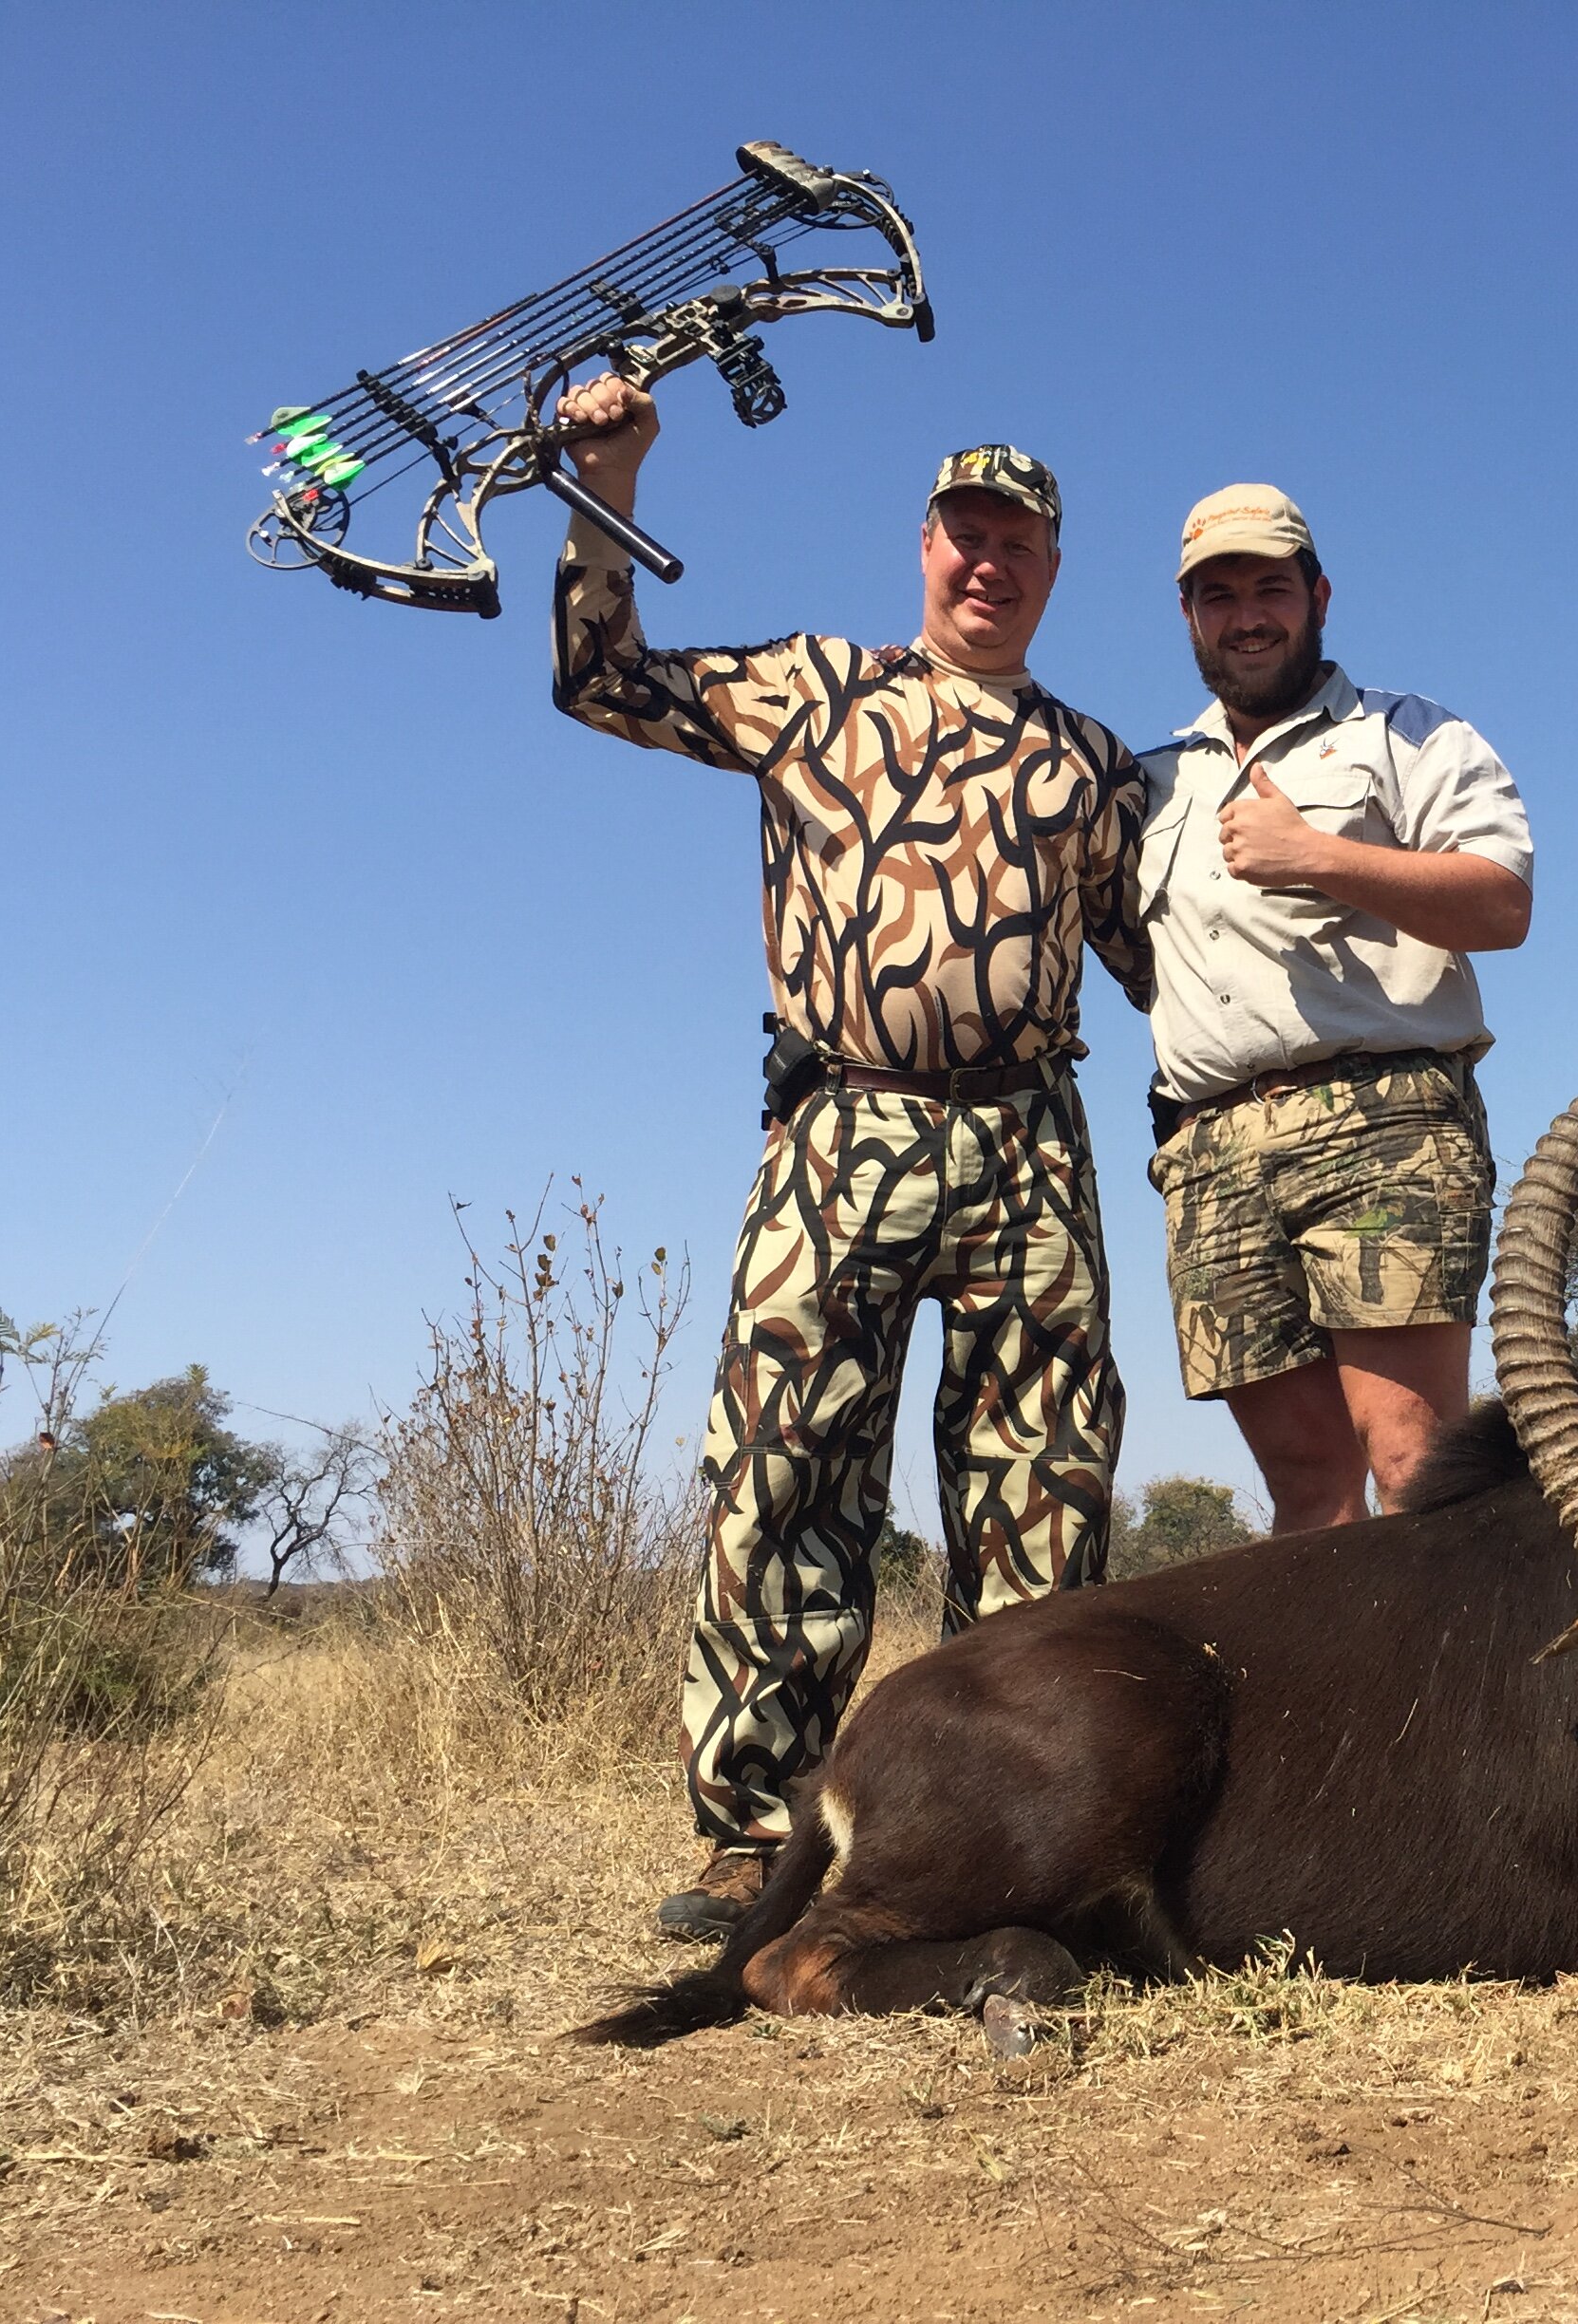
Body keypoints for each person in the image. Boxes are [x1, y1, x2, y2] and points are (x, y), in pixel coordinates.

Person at [549, 375, 1151, 1938]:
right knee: (781, 1467)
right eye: (965, 532)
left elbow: (1179, 962)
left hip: (1030, 1136)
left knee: (1041, 1490)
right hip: (838, 1122)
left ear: (1051, 569)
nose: (986, 562)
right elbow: (600, 679)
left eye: (1017, 541)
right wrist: (602, 487)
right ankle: (756, 1835)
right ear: (925, 544)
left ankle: (1023, 1834)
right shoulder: (814, 689)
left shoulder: (1098, 767)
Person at [1137, 485, 1532, 1530]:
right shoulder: (1151, 782)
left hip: (1384, 1124)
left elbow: (1501, 902)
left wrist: (1318, 856)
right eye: (1218, 594)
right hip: (1211, 1153)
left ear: (1318, 596)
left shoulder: (1413, 735)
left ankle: (1460, 1699)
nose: (1248, 613)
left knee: (1415, 1467)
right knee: (1306, 1491)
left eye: (1271, 586)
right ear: (1188, 616)